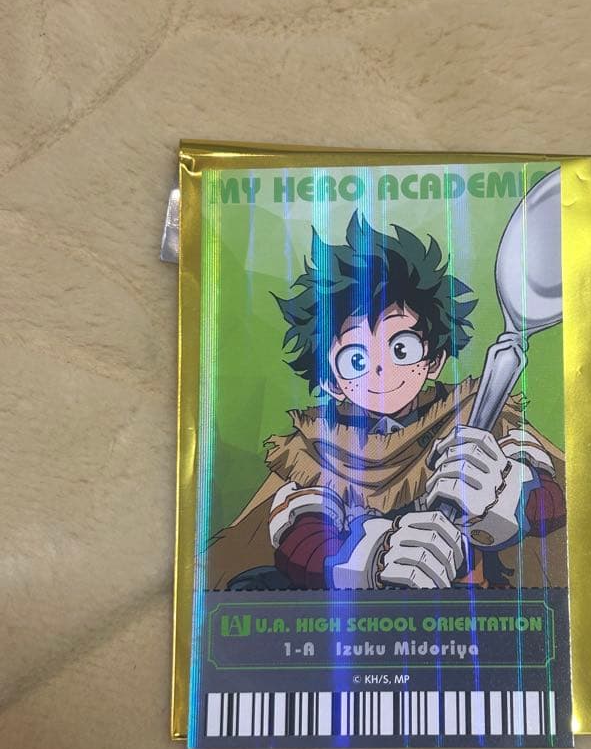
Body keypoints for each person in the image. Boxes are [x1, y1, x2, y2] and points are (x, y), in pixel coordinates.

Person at [207, 212, 566, 591]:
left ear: (434, 359)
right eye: (356, 359)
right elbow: (302, 541)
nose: (381, 370)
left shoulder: (480, 416)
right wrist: (373, 558)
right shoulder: (318, 446)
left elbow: (551, 504)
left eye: (401, 348)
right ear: (330, 381)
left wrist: (504, 494)